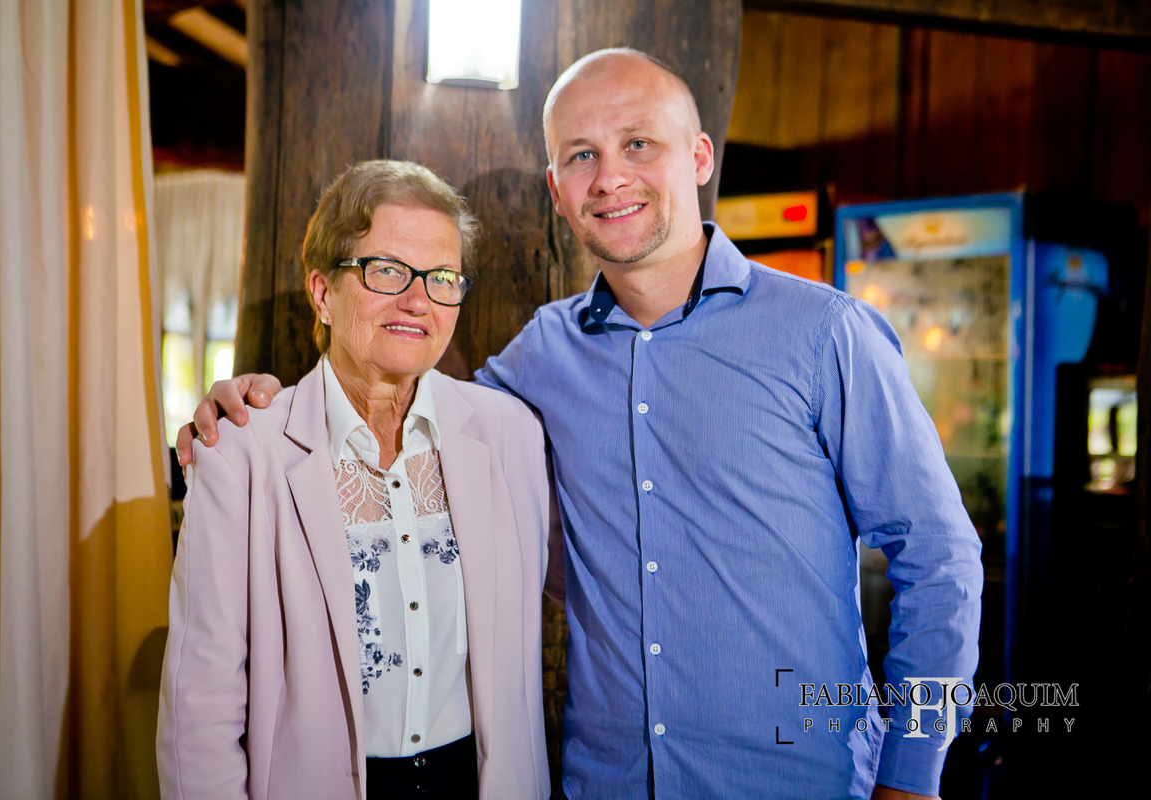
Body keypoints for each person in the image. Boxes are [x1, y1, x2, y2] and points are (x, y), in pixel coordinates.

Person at [182, 50, 983, 800]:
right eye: (581, 155)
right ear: (556, 187)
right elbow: (397, 400)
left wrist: (912, 774)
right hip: (604, 784)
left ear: (699, 157)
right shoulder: (539, 358)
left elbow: (940, 558)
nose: (610, 177)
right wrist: (254, 405)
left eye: (638, 143)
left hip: (799, 780)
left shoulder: (825, 334)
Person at [158, 160, 558, 800]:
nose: (418, 300)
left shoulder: (510, 434)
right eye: (388, 270)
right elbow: (198, 711)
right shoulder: (242, 457)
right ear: (322, 292)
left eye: (442, 278)